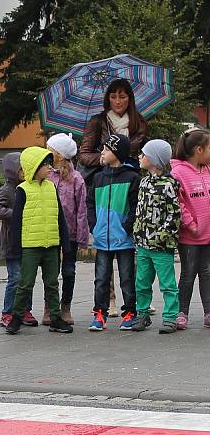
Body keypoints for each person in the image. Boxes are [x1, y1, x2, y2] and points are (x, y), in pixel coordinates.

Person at [78, 79, 148, 319]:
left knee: (129, 254)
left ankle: (135, 302)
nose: (118, 101)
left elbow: (142, 150)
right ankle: (107, 302)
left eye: (123, 96)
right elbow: (84, 154)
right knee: (104, 257)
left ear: (130, 98)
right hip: (104, 182)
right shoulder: (97, 121)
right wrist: (106, 156)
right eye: (113, 97)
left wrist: (124, 152)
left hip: (130, 181)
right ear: (108, 98)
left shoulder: (139, 123)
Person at [5, 146, 73, 335]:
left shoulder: (51, 187)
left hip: (51, 244)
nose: (50, 168)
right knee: (25, 283)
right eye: (46, 165)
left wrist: (64, 242)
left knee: (52, 283)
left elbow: (60, 217)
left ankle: (55, 318)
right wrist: (16, 248)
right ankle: (16, 317)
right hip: (30, 246)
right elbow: (17, 221)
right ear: (34, 167)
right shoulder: (22, 190)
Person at [86, 133, 140, 331]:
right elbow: (89, 204)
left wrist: (127, 227)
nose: (102, 152)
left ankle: (129, 313)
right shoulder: (98, 178)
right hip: (102, 238)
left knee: (127, 277)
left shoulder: (132, 177)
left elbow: (135, 207)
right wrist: (94, 226)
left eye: (106, 149)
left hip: (123, 238)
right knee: (101, 278)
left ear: (117, 153)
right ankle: (100, 313)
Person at [131, 140, 180, 334]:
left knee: (167, 283)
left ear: (154, 159)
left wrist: (161, 235)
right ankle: (142, 314)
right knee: (141, 282)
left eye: (143, 154)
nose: (140, 157)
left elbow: (174, 214)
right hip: (143, 244)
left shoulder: (169, 185)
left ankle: (170, 317)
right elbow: (140, 210)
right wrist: (137, 230)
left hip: (161, 246)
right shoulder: (143, 182)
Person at [46, 133, 89, 325]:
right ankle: (50, 307)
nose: (46, 152)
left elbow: (81, 210)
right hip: (50, 232)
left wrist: (82, 238)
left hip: (70, 233)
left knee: (69, 271)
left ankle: (66, 307)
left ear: (60, 155)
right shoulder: (46, 176)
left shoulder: (76, 179)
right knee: (51, 271)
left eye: (50, 150)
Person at [170, 127, 210, 329]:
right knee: (188, 274)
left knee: (207, 274)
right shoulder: (178, 172)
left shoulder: (207, 170)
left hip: (208, 235)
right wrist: (191, 224)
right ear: (199, 150)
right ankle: (181, 312)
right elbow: (178, 202)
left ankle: (208, 313)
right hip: (190, 237)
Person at [0, 153, 38, 328]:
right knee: (15, 278)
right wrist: (15, 214)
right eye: (21, 170)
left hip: (27, 241)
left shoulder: (27, 187)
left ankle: (25, 310)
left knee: (27, 278)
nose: (25, 173)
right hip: (12, 243)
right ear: (12, 171)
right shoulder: (6, 190)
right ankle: (7, 312)